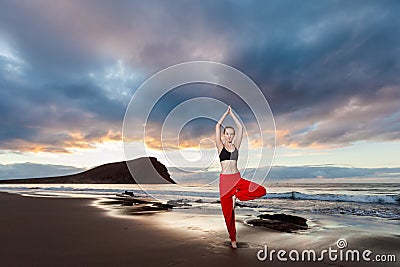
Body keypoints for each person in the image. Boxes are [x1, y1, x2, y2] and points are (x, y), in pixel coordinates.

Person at [215, 105, 267, 249]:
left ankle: (237, 196)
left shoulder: (236, 146)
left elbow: (241, 129)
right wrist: (225, 114)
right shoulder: (220, 147)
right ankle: (233, 239)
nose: (230, 136)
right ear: (224, 135)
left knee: (261, 190)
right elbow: (217, 126)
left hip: (237, 180)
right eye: (228, 134)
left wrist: (233, 115)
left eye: (232, 134)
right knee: (228, 215)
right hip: (225, 182)